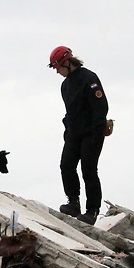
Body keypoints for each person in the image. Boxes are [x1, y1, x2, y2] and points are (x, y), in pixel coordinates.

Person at [48, 46, 109, 225]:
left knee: (89, 170)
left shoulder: (89, 78)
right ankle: (73, 202)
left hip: (92, 133)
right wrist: (68, 129)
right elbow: (70, 111)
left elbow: (101, 106)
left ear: (67, 63)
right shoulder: (65, 85)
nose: (57, 72)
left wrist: (95, 130)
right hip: (73, 133)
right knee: (66, 165)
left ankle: (92, 209)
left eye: (58, 67)